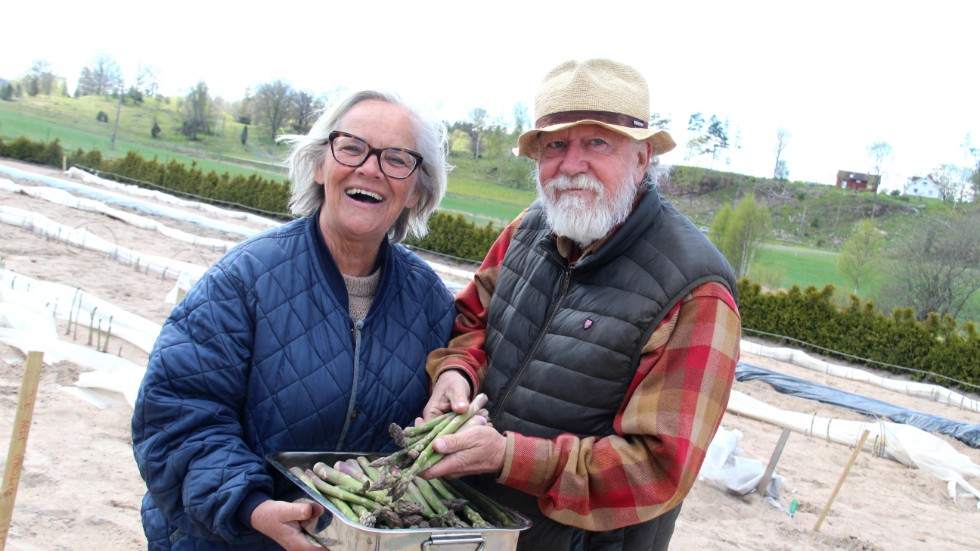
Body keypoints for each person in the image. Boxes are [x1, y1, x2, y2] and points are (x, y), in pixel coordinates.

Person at [420, 58, 742, 551]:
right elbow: (472, 320)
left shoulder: (696, 290)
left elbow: (657, 469)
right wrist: (456, 373)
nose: (571, 166)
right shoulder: (527, 229)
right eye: (555, 145)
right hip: (475, 522)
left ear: (642, 157)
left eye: (597, 143)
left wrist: (509, 456)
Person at [132, 89, 456, 550]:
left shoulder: (430, 302)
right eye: (351, 147)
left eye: (396, 158)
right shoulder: (243, 280)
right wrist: (250, 506)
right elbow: (177, 416)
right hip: (228, 537)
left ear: (417, 190)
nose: (370, 168)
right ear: (319, 165)